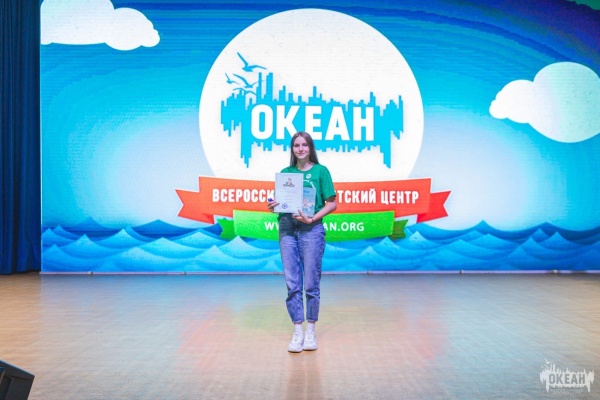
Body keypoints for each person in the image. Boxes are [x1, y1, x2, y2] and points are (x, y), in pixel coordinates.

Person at [268, 131, 337, 353]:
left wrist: (312, 218)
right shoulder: (286, 174)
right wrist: (274, 205)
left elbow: (332, 204)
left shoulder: (321, 171)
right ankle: (297, 330)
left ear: (310, 148)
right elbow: (282, 202)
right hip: (287, 228)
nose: (300, 149)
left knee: (311, 284)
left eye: (304, 145)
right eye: (296, 145)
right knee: (292, 283)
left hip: (312, 229)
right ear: (292, 149)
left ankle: (311, 331)